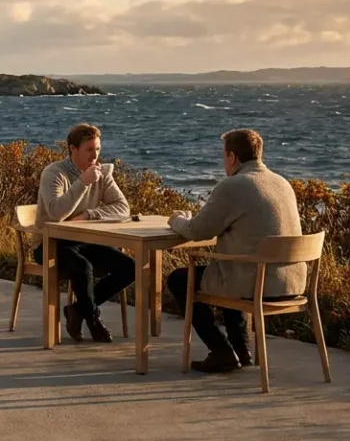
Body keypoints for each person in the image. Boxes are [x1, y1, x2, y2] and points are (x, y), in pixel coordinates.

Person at [166, 129, 305, 374]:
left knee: (180, 279)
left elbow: (198, 231)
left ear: (231, 157)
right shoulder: (282, 183)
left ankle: (221, 350)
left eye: (223, 156)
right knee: (233, 266)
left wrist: (176, 219)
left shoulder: (233, 185)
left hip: (255, 283)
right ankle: (241, 350)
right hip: (292, 283)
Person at [35, 123, 135, 343]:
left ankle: (79, 310)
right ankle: (93, 319)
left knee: (129, 267)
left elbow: (122, 207)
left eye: (97, 149)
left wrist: (89, 215)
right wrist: (82, 183)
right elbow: (56, 214)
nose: (95, 155)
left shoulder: (102, 173)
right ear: (73, 149)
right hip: (50, 243)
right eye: (89, 150)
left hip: (85, 241)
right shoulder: (54, 173)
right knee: (83, 268)